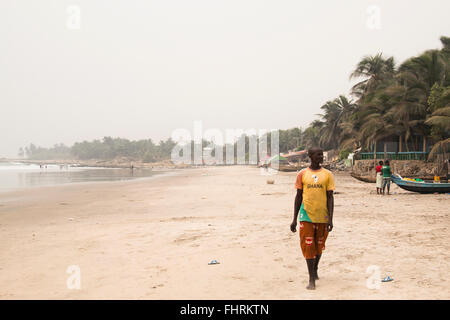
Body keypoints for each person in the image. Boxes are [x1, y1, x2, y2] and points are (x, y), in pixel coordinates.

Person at [290, 147, 335, 290]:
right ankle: (311, 279)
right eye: (318, 155)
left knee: (319, 246)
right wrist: (294, 219)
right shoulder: (302, 174)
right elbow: (298, 196)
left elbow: (330, 197)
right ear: (310, 156)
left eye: (322, 155)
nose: (321, 157)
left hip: (322, 215)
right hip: (306, 215)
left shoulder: (328, 174)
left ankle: (315, 268)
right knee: (308, 245)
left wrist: (331, 219)